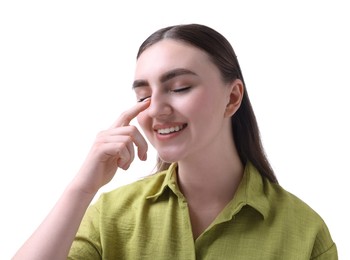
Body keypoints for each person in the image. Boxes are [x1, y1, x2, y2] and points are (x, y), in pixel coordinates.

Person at [13, 24, 337, 259]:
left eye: (180, 87)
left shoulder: (304, 233)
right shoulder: (110, 217)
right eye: (143, 95)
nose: (155, 109)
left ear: (232, 97)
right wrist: (81, 189)